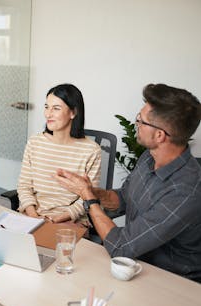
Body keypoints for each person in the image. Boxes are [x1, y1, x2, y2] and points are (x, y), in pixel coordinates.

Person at [55, 83, 201, 282]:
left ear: (160, 135)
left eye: (141, 121)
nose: (136, 124)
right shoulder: (150, 157)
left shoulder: (187, 190)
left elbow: (121, 247)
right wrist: (92, 191)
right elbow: (123, 198)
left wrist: (89, 199)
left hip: (172, 281)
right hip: (136, 264)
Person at [17, 84, 101, 228]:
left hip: (70, 220)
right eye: (46, 107)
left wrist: (55, 219)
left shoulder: (91, 150)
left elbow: (87, 197)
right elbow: (24, 186)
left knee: (56, 248)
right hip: (33, 216)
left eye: (56, 108)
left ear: (73, 112)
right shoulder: (34, 142)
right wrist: (34, 217)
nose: (48, 114)